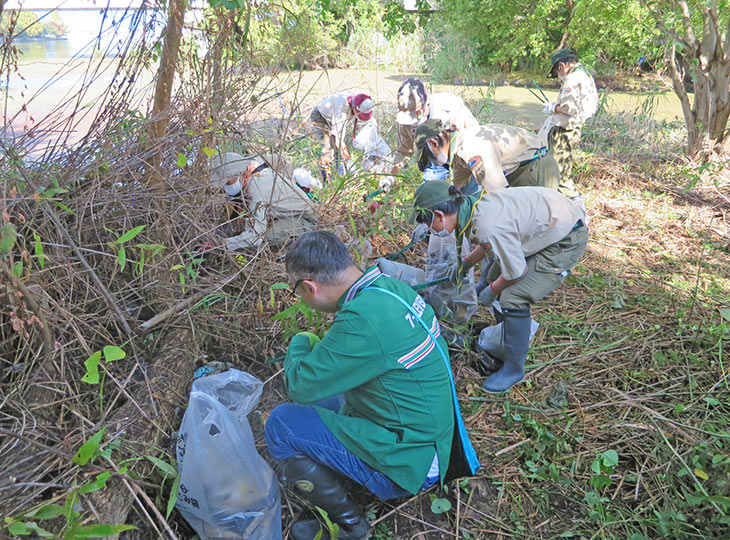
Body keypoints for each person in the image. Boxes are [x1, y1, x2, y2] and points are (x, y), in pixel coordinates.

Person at [265, 230, 478, 540]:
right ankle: (348, 469)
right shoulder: (390, 289)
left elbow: (299, 384)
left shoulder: (361, 321)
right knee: (323, 399)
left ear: (309, 287)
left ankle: (350, 526)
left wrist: (299, 342)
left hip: (413, 461)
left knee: (281, 424)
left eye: (297, 291)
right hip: (440, 442)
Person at [410, 181, 588, 393]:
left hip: (565, 239)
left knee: (513, 296)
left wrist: (491, 290)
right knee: (493, 273)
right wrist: (466, 263)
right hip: (549, 225)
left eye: (430, 225)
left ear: (439, 215)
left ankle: (514, 368)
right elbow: (489, 245)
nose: (431, 231)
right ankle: (507, 335)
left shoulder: (486, 224)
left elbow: (516, 272)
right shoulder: (472, 205)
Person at [413, 119, 565, 196]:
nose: (431, 162)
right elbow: (458, 189)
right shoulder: (457, 149)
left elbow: (498, 193)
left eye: (428, 157)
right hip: (520, 169)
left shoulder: (472, 149)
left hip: (536, 168)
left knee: (525, 221)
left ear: (433, 143)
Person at [381, 78, 478, 191]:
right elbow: (403, 152)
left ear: (426, 106)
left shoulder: (450, 107)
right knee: (427, 196)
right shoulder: (404, 122)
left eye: (415, 115)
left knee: (468, 197)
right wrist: (390, 177)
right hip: (435, 160)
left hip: (462, 155)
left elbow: (475, 139)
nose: (412, 122)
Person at [209, 152, 318, 251]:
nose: (226, 186)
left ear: (241, 174)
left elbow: (255, 237)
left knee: (264, 238)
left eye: (227, 182)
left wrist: (221, 244)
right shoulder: (252, 162)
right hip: (288, 212)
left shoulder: (257, 191)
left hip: (304, 218)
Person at [540, 48, 598, 208]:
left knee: (559, 174)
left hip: (565, 130)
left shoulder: (572, 77)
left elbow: (569, 107)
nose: (558, 73)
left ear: (562, 65)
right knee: (558, 171)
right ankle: (558, 208)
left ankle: (578, 212)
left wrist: (553, 108)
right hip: (575, 127)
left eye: (557, 69)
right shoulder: (585, 74)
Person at [310, 91, 375, 183]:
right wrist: (345, 153)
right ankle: (327, 183)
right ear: (355, 108)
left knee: (340, 154)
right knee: (329, 151)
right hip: (320, 118)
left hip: (332, 119)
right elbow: (338, 136)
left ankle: (341, 179)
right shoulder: (341, 110)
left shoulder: (360, 100)